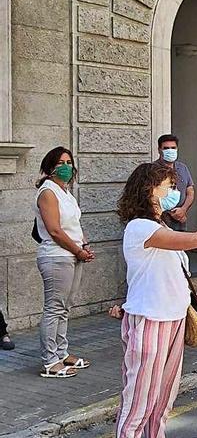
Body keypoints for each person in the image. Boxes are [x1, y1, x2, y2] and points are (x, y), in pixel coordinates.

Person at [112, 162, 197, 437]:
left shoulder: (160, 225)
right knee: (139, 404)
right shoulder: (139, 228)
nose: (176, 191)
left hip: (174, 319)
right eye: (170, 186)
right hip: (151, 322)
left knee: (162, 403)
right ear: (150, 190)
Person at [34, 146, 94, 378]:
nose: (66, 167)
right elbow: (55, 231)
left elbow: (74, 226)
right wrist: (78, 251)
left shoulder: (65, 192)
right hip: (56, 256)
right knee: (54, 308)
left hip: (71, 254)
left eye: (69, 162)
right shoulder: (48, 192)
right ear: (50, 167)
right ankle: (50, 361)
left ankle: (62, 353)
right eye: (61, 163)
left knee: (64, 308)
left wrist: (84, 247)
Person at [155, 135, 194, 231]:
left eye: (173, 148)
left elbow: (190, 191)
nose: (170, 150)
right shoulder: (152, 169)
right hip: (160, 222)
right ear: (159, 150)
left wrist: (183, 210)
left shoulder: (182, 168)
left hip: (180, 220)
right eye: (166, 148)